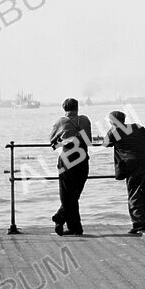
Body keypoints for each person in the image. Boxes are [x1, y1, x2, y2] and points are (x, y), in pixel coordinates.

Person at [103, 111, 145, 234]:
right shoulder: (136, 127)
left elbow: (105, 143)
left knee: (134, 193)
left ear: (112, 122)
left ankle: (139, 224)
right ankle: (143, 223)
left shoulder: (114, 132)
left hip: (133, 164)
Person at [49, 98, 92, 236]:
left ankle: (60, 218)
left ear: (64, 108)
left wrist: (62, 141)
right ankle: (75, 227)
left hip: (67, 158)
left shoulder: (60, 122)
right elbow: (88, 141)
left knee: (67, 193)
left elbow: (52, 141)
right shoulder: (85, 120)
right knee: (75, 194)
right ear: (77, 107)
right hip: (83, 158)